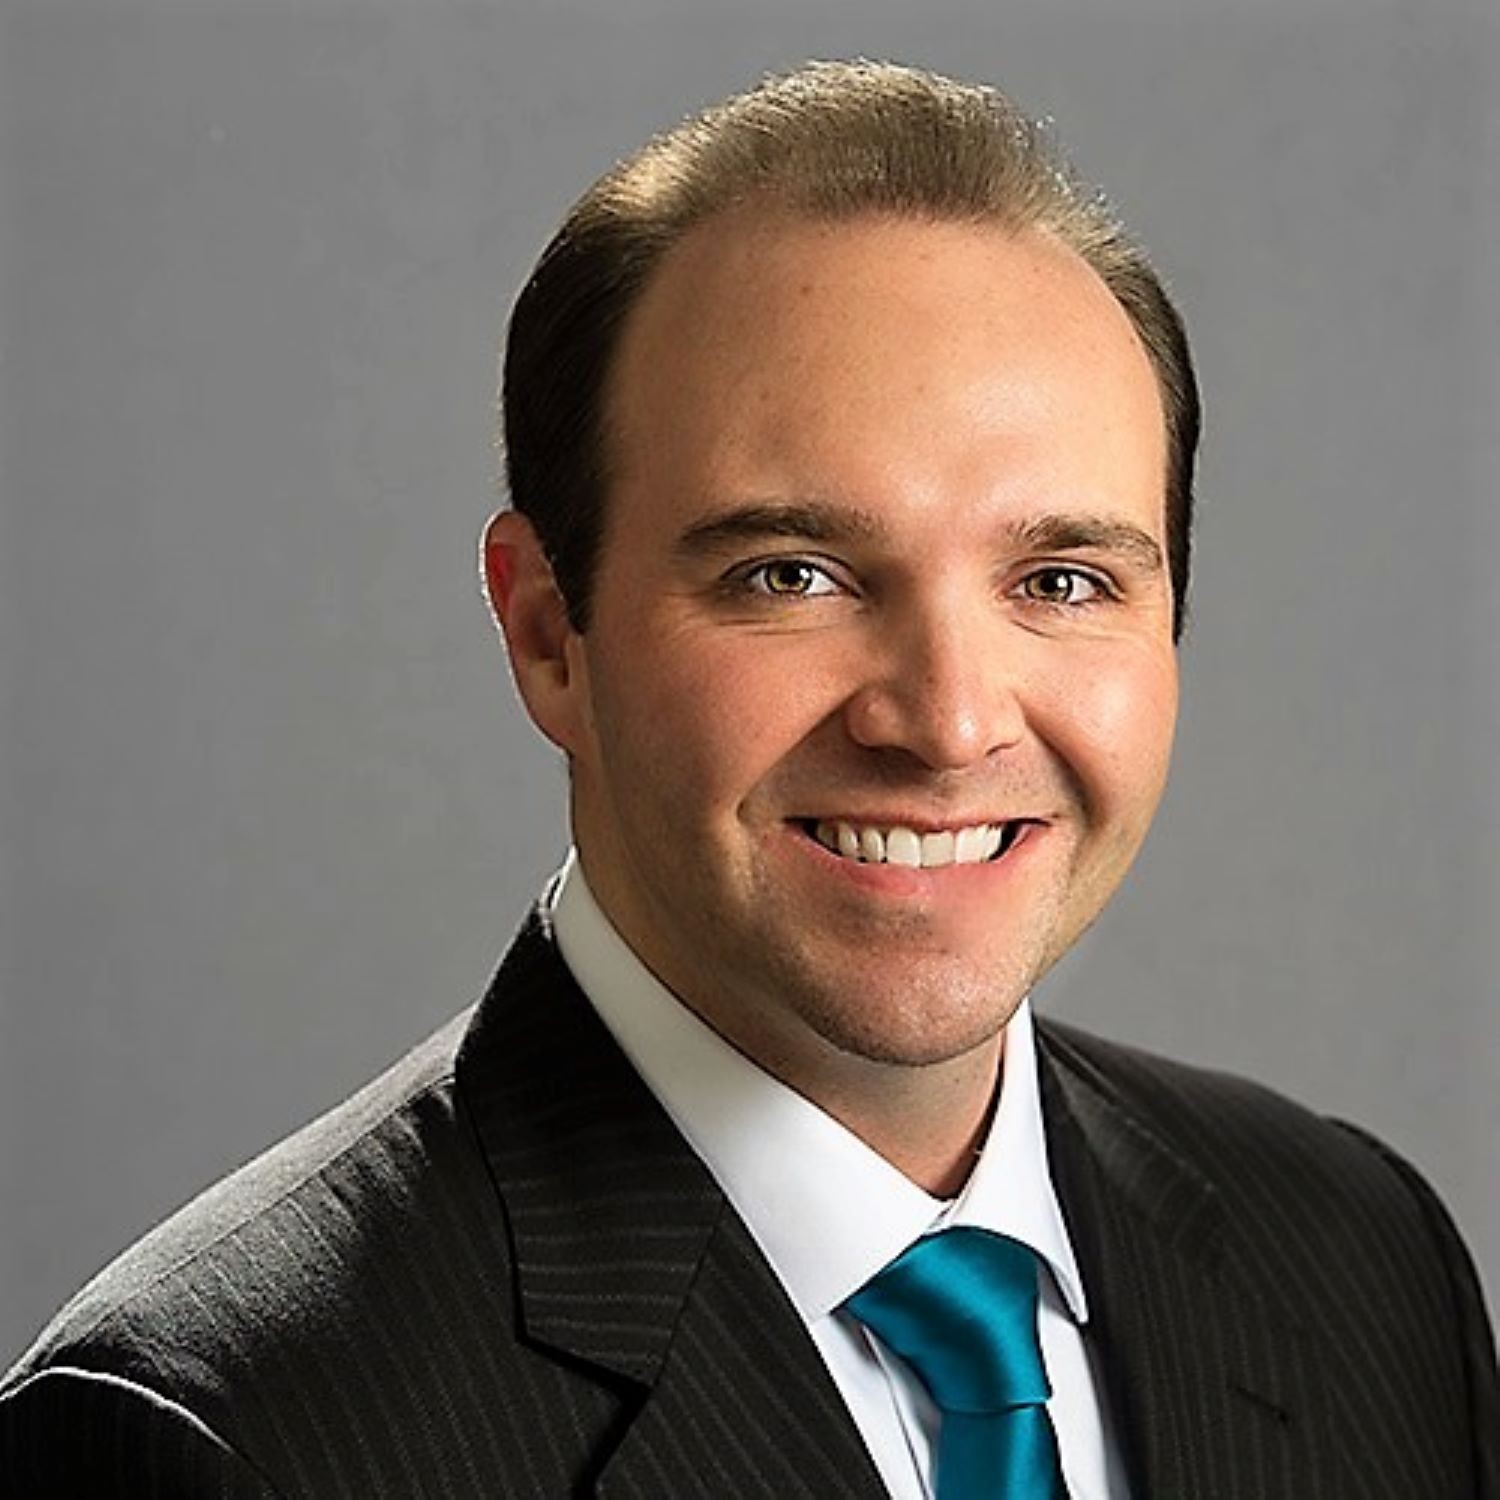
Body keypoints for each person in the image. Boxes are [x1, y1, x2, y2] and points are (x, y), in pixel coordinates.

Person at [2, 59, 1495, 1499]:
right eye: (793, 573)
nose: (948, 722)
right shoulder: (222, 1440)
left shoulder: (1364, 1264)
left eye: (1060, 580)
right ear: (548, 634)